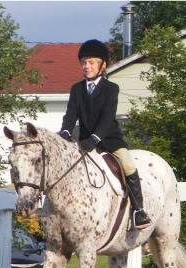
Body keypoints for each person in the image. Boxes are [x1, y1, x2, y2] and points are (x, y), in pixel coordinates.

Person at [59, 39, 150, 229]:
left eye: (91, 62)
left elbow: (107, 119)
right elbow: (70, 115)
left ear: (103, 65)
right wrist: (66, 132)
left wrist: (95, 138)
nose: (86, 66)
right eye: (84, 62)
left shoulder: (111, 89)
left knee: (128, 164)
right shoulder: (76, 89)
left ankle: (138, 210)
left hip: (110, 140)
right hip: (84, 141)